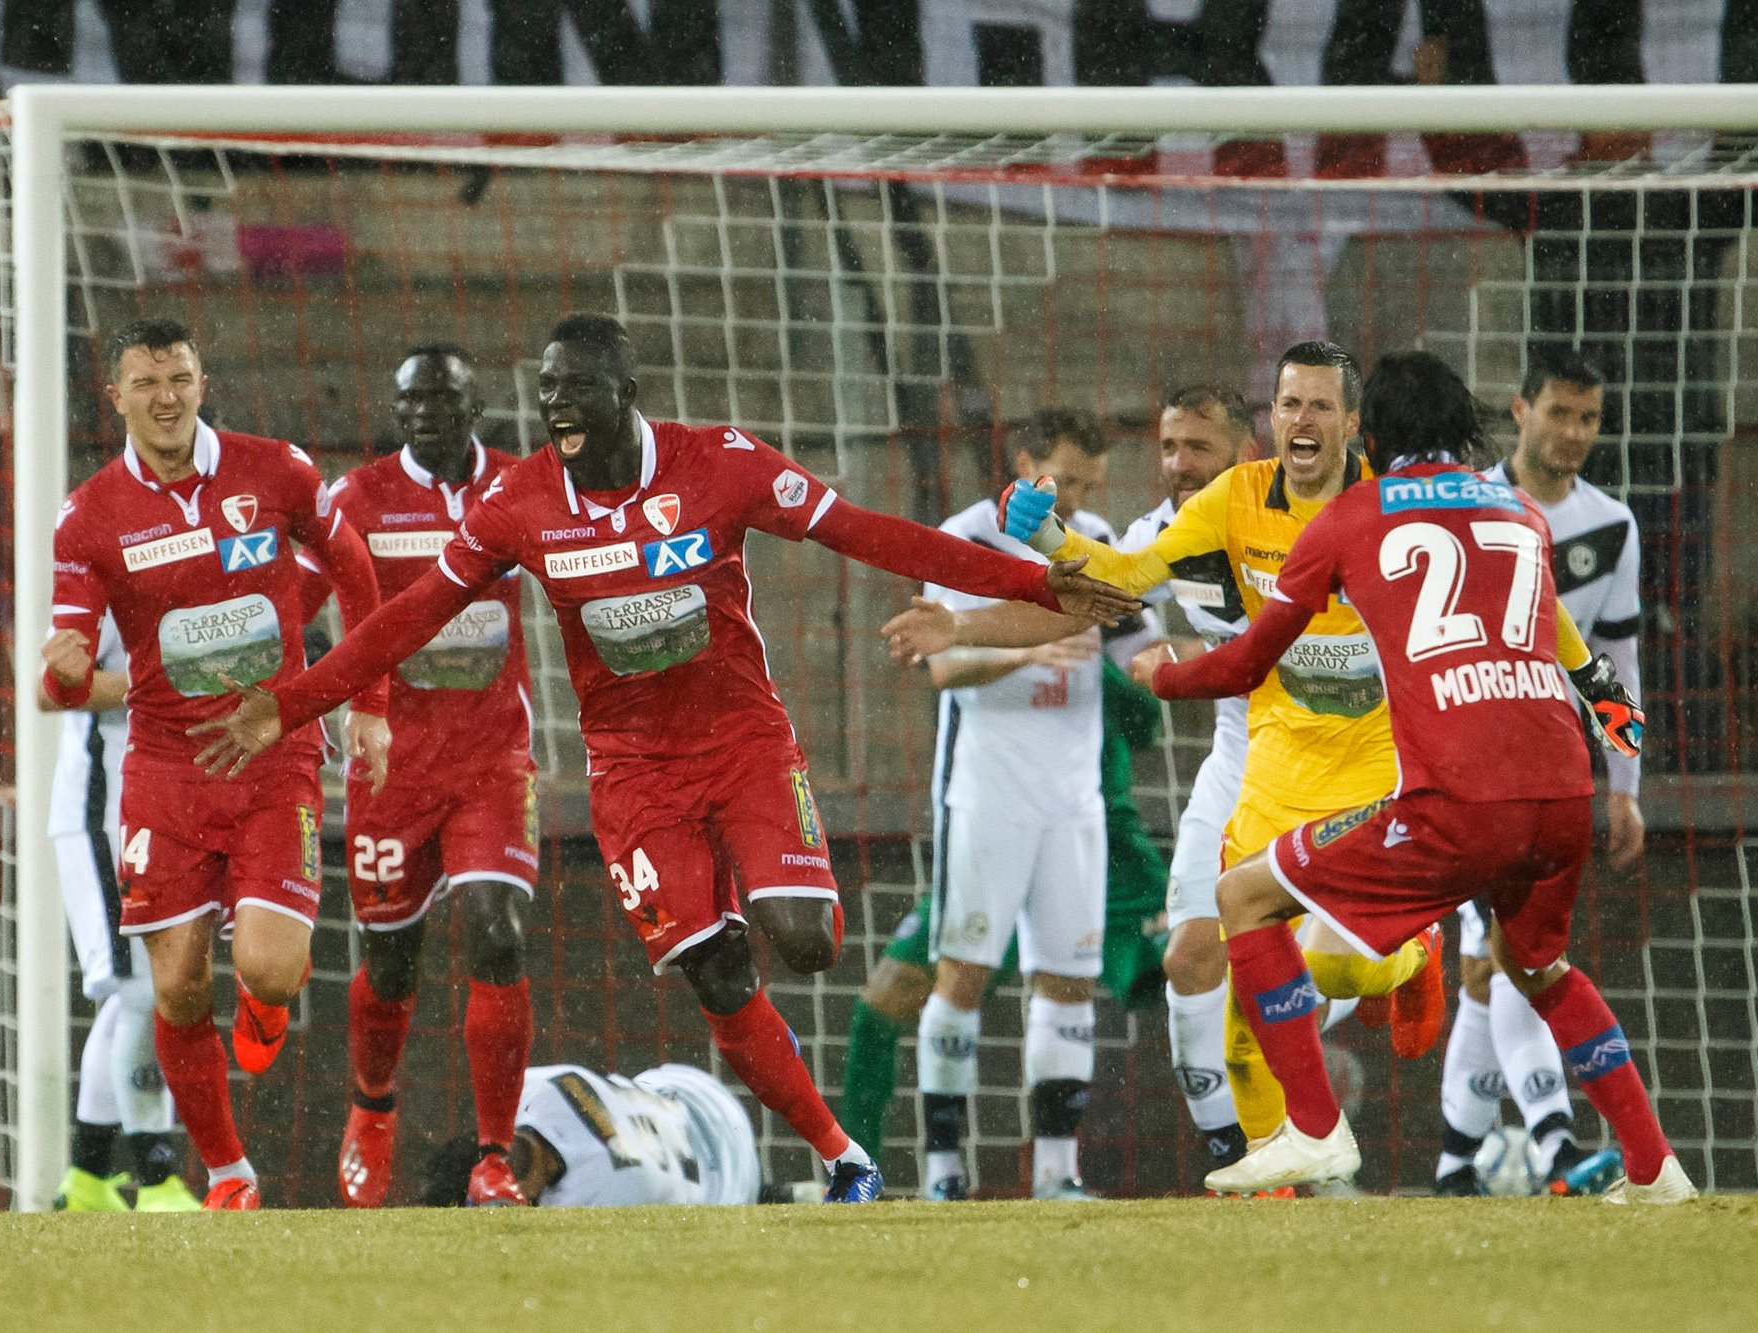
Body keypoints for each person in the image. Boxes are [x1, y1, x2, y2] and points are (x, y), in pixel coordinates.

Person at [189, 312, 1135, 1204]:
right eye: (549, 391)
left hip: (743, 745)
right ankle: (843, 1156)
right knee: (716, 970)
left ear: (628, 392)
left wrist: (1035, 581)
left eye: (579, 391)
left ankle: (752, 882)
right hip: (634, 776)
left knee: (807, 942)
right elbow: (405, 619)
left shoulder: (720, 462)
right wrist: (295, 700)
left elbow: (868, 533)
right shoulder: (517, 504)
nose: (558, 408)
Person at [1135, 350, 1688, 1204]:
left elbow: (1248, 657)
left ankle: (1316, 1132)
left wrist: (1165, 675)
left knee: (1242, 898)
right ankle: (1656, 1169)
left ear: (1370, 430)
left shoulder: (1354, 516)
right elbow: (1585, 665)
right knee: (1538, 967)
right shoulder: (1521, 514)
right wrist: (1625, 758)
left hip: (1457, 799)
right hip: (1564, 788)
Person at [913, 345, 1446, 1180]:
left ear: (1244, 451)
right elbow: (1093, 600)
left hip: (1360, 755)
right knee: (1192, 954)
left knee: (1334, 960)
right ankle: (1240, 1157)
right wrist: (968, 626)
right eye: (1165, 448)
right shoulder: (1168, 532)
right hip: (1249, 753)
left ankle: (1411, 958)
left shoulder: (1367, 505)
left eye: (1195, 448)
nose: (1175, 466)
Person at [44, 318, 389, 1210]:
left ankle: (269, 1003)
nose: (166, 397)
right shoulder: (87, 517)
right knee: (176, 986)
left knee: (271, 970)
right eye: (147, 382)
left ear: (203, 382)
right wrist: (67, 660)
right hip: (163, 768)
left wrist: (370, 706)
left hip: (273, 751)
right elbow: (69, 642)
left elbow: (354, 572)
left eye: (181, 379)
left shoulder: (275, 469)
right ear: (115, 396)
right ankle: (229, 1173)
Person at [295, 345, 542, 1208]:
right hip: (389, 766)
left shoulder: (521, 485)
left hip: (492, 758)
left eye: (442, 398)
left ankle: (495, 1155)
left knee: (498, 929)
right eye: (409, 403)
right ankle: (372, 1107)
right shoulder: (356, 498)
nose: (425, 414)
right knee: (392, 962)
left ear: (476, 405)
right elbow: (293, 596)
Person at [870, 409, 1128, 1202]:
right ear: (1026, 466)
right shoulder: (966, 539)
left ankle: (1057, 1172)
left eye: (1091, 485)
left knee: (1070, 980)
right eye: (1069, 480)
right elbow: (944, 671)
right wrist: (1034, 643)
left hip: (1073, 795)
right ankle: (946, 1171)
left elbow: (1128, 643)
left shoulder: (1096, 538)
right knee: (966, 972)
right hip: (988, 792)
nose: (1081, 499)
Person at [1435, 345, 1643, 1197]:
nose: (1574, 432)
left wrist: (1628, 782)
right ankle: (1555, 1145)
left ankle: (1456, 1166)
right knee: (1509, 955)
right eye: (1559, 413)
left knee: (1494, 963)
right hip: (1466, 756)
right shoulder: (1466, 505)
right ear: (1519, 412)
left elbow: (1619, 654)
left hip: (1551, 765)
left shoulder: (1612, 525)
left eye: (1589, 418)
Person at [40, 615, 201, 1213]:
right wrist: (179, 678)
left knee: (132, 995)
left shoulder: (183, 550)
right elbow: (51, 686)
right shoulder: (99, 567)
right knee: (145, 992)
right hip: (103, 811)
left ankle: (87, 1176)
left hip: (150, 805)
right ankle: (155, 1177)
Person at [431, 1063, 763, 1207]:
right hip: (691, 1089)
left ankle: (777, 1194)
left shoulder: (586, 1206)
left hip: (734, 1180)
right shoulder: (528, 1088)